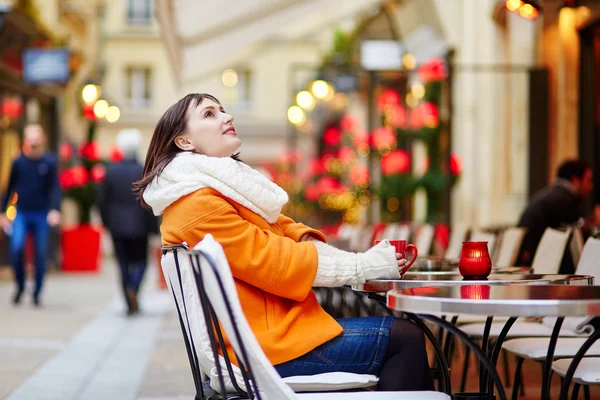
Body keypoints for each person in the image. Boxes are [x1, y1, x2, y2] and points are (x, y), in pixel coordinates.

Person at [134, 93, 433, 391]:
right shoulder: (197, 205)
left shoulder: (219, 192)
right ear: (185, 142)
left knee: (400, 334)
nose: (228, 117)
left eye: (223, 110)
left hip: (268, 338)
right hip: (262, 352)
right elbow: (278, 263)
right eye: (210, 114)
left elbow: (288, 231)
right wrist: (360, 266)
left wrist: (363, 264)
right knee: (405, 338)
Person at [97, 129, 157, 315]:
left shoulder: (111, 171)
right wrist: (154, 227)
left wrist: (107, 222)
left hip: (117, 226)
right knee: (141, 262)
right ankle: (134, 287)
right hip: (140, 226)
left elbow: (101, 200)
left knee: (123, 262)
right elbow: (152, 200)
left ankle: (128, 297)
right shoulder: (145, 170)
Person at [0, 124, 61, 306]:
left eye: (36, 136)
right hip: (22, 213)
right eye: (30, 136)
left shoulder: (49, 162)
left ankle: (37, 291)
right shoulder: (18, 162)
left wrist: (54, 209)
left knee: (41, 254)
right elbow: (9, 188)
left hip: (42, 214)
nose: (33, 140)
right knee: (17, 248)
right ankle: (20, 285)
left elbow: (54, 189)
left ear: (42, 138)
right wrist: (3, 212)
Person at [517, 159, 594, 273]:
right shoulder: (565, 199)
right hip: (534, 266)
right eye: (589, 180)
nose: (591, 186)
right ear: (575, 180)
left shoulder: (553, 194)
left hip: (527, 261)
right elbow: (576, 233)